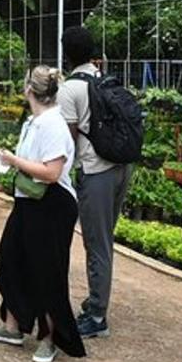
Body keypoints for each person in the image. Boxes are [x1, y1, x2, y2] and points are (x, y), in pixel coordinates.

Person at [0, 66, 85, 362]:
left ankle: (50, 337)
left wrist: (14, 160)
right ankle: (13, 326)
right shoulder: (34, 121)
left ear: (28, 89)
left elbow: (52, 173)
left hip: (51, 204)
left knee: (47, 272)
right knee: (11, 259)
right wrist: (14, 161)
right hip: (29, 201)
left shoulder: (52, 124)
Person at [58, 26, 132, 338]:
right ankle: (96, 300)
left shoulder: (70, 89)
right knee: (105, 238)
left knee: (96, 242)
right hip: (122, 167)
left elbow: (68, 139)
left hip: (96, 168)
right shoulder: (107, 80)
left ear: (66, 54)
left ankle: (97, 315)